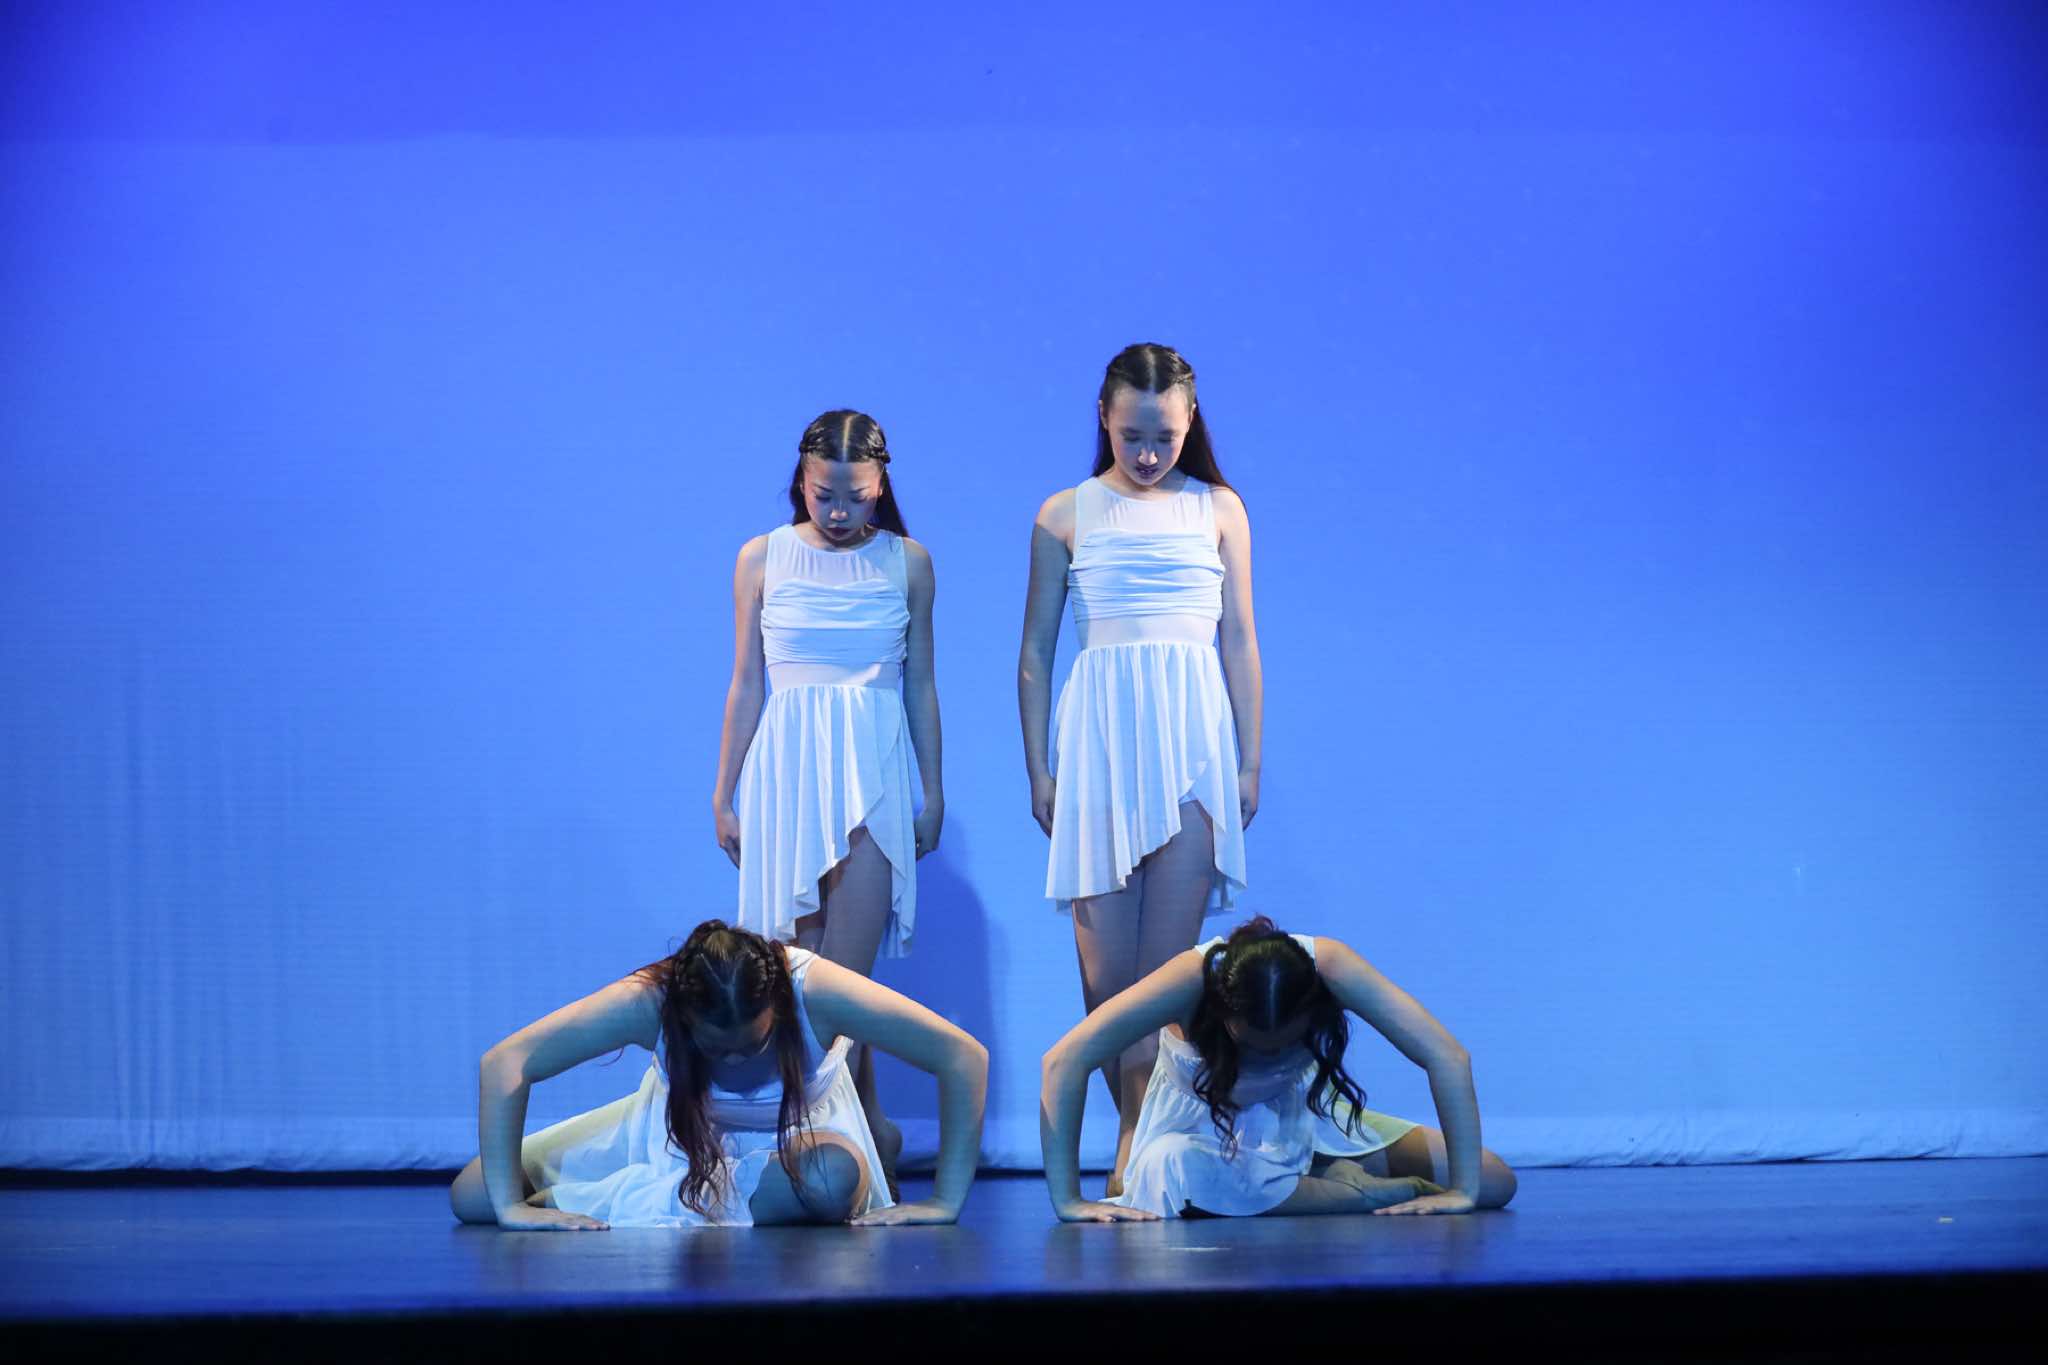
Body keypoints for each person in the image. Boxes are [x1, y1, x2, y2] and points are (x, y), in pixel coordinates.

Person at [1018, 343, 1260, 1193]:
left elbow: (1240, 641)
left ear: (1191, 422)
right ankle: (1135, 1131)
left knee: (1167, 975)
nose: (1149, 453)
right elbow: (1035, 654)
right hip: (1099, 750)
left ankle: (1141, 1143)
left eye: (1165, 436)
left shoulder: (1218, 508)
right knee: (1105, 981)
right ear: (1104, 419)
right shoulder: (1066, 513)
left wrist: (1249, 763)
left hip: (1192, 745)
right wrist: (1039, 770)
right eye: (1132, 436)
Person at [712, 409, 942, 1187]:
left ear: (881, 485)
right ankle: (859, 1133)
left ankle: (858, 1136)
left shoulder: (908, 562)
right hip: (787, 775)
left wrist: (933, 791)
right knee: (795, 981)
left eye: (856, 495)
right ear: (801, 482)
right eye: (824, 494)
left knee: (848, 983)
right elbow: (746, 682)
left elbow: (921, 685)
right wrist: (724, 794)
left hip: (872, 771)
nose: (840, 510)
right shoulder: (762, 557)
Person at [449, 920, 986, 1229]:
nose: (732, 1062)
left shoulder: (816, 991)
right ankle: (619, 1198)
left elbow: (962, 1056)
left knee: (831, 1180)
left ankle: (607, 1201)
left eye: (751, 1045)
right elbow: (506, 1062)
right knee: (475, 1194)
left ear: (777, 1005)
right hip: (670, 1138)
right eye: (714, 1049)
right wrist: (510, 1207)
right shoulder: (652, 1000)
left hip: (801, 1144)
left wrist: (945, 1202)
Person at [1039, 916, 1517, 1221]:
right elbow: (1065, 1060)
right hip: (1204, 1139)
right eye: (1253, 1046)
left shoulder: (1330, 965)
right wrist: (1068, 1200)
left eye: (1285, 1046)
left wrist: (1463, 1192)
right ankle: (1357, 1196)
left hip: (1305, 1122)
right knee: (1172, 1165)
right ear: (1225, 1013)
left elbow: (1447, 1055)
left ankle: (1317, 1187)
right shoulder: (1191, 978)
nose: (1268, 1060)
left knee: (1493, 1180)